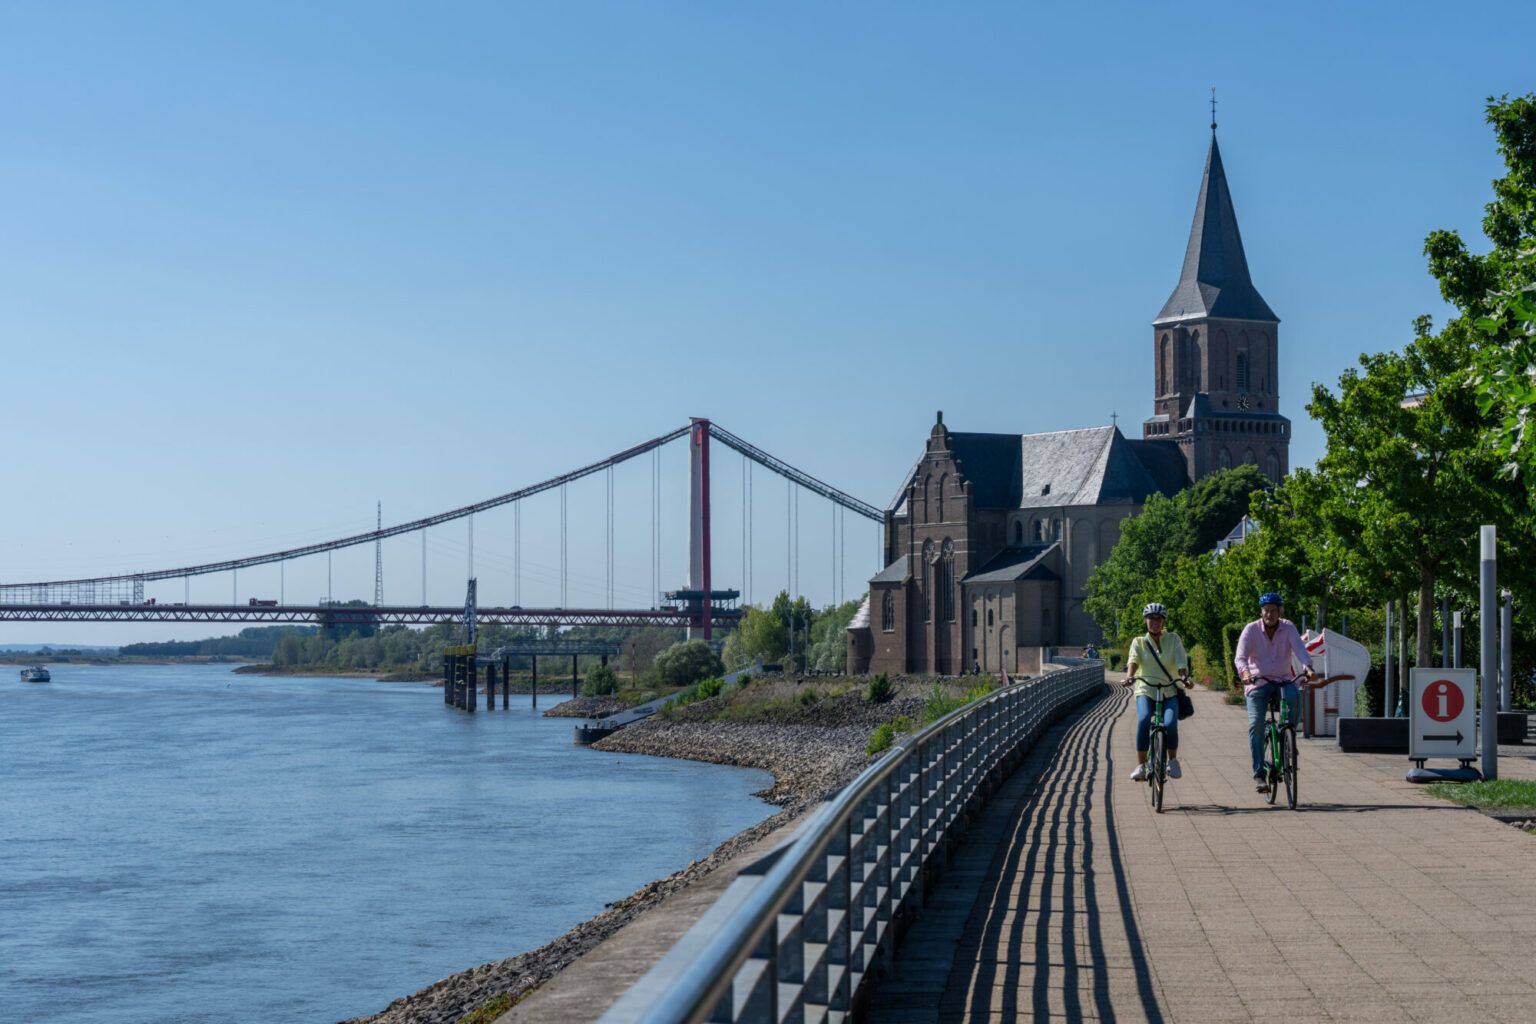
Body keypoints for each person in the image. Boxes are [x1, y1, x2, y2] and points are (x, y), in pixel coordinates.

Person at [1234, 592, 1316, 791]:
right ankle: (1259, 774)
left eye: (1273, 610)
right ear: (1261, 612)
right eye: (1266, 610)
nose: (1269, 614)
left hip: (1282, 680)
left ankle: (1287, 738)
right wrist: (1245, 674)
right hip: (1258, 682)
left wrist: (1308, 667)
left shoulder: (1288, 627)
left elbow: (1301, 650)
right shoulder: (1251, 629)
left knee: (1294, 697)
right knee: (1256, 725)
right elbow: (1240, 657)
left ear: (1280, 612)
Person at [1122, 602, 1192, 781]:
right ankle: (1141, 765)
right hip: (1146, 689)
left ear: (1163, 621)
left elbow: (1181, 663)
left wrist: (1184, 678)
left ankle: (1173, 761)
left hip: (1169, 690)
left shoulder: (1173, 639)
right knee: (1144, 719)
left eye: (1158, 619)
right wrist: (1130, 677)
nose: (1154, 622)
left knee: (1170, 723)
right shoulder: (1138, 641)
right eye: (1150, 618)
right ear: (1145, 620)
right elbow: (1133, 660)